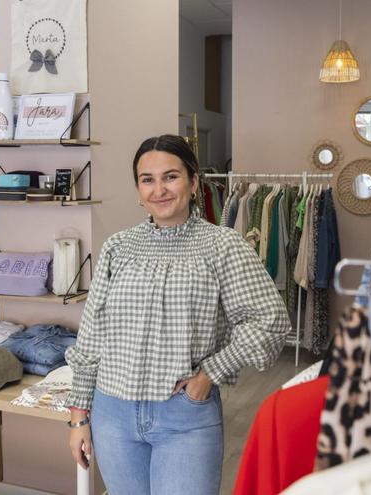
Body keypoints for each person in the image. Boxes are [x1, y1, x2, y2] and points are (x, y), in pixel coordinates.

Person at [65, 134, 290, 494]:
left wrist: (210, 374)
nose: (159, 190)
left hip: (184, 415)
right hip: (112, 414)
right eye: (147, 180)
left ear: (194, 181)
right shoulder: (117, 248)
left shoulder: (222, 245)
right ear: (138, 190)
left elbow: (269, 320)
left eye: (170, 176)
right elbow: (91, 336)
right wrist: (78, 417)